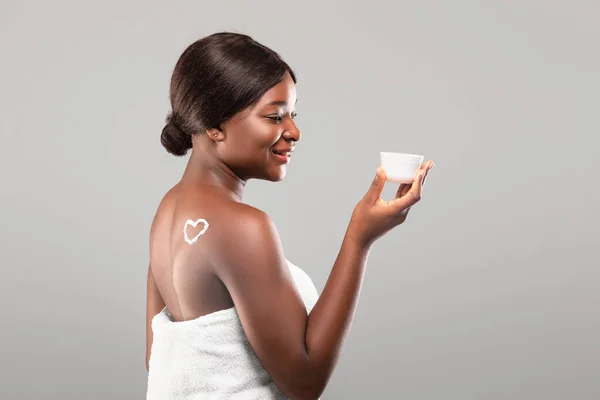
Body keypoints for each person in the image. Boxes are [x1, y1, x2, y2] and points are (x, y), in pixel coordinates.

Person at [145, 32, 434, 399]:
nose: (294, 132)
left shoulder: (166, 211)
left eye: (292, 114)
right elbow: (305, 382)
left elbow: (158, 357)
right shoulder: (241, 227)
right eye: (274, 116)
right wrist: (360, 239)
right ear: (214, 126)